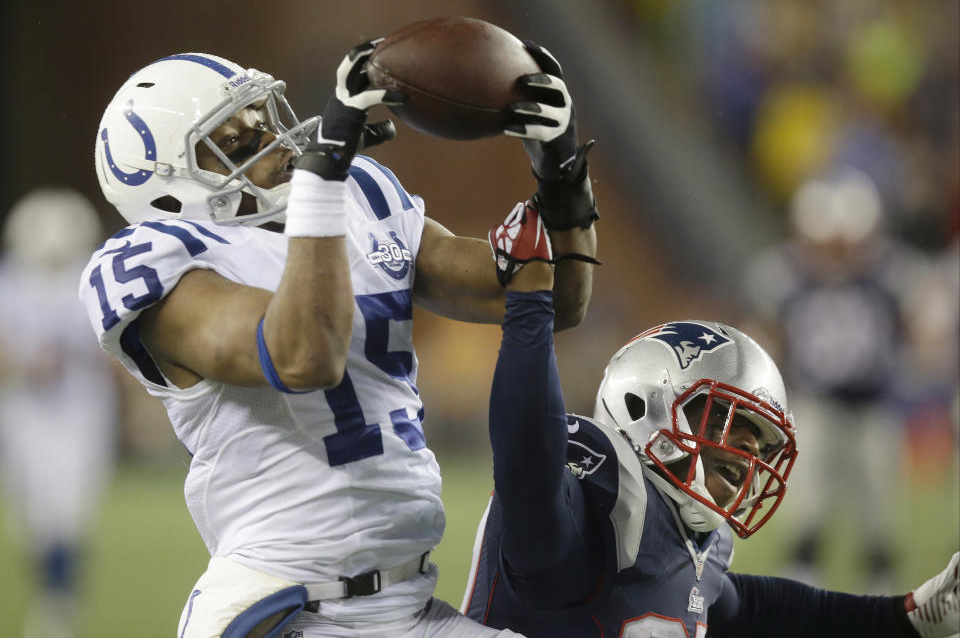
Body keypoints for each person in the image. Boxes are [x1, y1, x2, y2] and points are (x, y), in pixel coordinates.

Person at [78, 37, 597, 638]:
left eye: (262, 120)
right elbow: (301, 354)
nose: (271, 142)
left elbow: (553, 299)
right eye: (236, 143)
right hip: (285, 608)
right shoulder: (160, 259)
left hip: (409, 603)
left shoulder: (358, 194)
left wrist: (560, 170)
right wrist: (321, 185)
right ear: (167, 188)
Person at [460, 203, 959, 637]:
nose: (749, 453)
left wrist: (909, 616)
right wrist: (529, 305)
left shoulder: (697, 538)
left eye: (759, 440)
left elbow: (760, 612)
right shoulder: (602, 504)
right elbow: (528, 465)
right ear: (643, 405)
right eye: (724, 419)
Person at [741, 166, 931, 591]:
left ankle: (880, 588)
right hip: (814, 404)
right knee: (806, 505)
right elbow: (762, 329)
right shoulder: (787, 275)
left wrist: (911, 353)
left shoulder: (887, 274)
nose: (836, 252)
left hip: (873, 403)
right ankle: (803, 583)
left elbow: (921, 319)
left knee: (879, 513)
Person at [0, 187, 118, 638]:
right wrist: (26, 364)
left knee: (67, 512)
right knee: (29, 519)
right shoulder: (12, 279)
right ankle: (52, 595)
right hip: (25, 410)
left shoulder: (89, 277)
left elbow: (112, 351)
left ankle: (59, 605)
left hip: (79, 409)